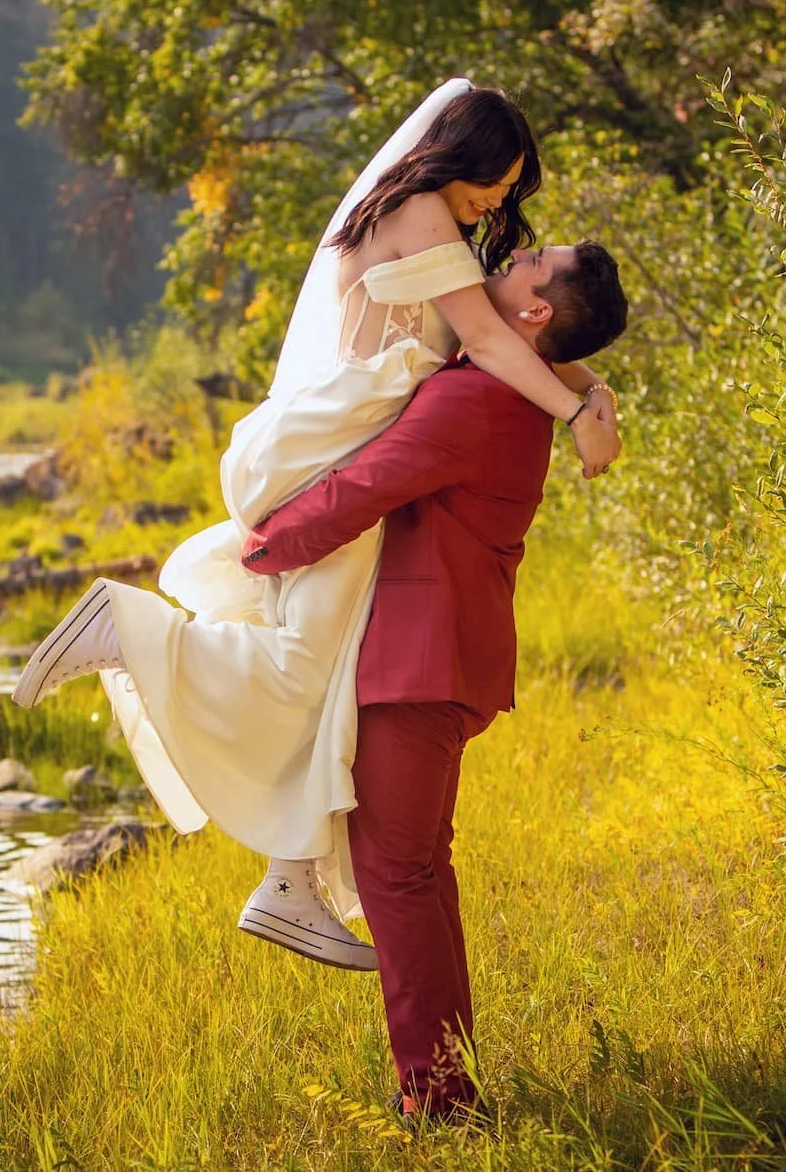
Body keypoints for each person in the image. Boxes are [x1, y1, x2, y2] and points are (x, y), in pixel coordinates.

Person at [12, 80, 622, 968]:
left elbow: (519, 335)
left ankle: (290, 877)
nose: (498, 208)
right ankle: (127, 627)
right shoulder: (421, 215)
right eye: (498, 184)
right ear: (465, 151)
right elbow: (494, 344)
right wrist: (575, 415)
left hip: (329, 435)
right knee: (304, 663)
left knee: (329, 664)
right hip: (332, 443)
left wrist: (592, 388)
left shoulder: (423, 222)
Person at [238, 238, 629, 1118]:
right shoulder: (511, 389)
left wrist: (263, 543)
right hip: (441, 657)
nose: (516, 251)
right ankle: (450, 1081)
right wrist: (592, 394)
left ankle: (441, 1100)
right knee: (419, 870)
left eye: (533, 261)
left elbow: (366, 485)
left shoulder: (482, 399)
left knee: (400, 876)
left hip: (422, 663)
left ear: (533, 316)